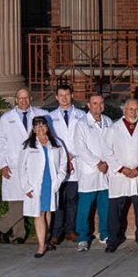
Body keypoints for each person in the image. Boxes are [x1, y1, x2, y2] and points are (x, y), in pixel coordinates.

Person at [102, 99, 138, 253]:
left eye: (136, 109)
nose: (133, 112)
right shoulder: (114, 128)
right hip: (120, 176)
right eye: (130, 109)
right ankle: (113, 240)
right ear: (124, 111)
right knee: (115, 212)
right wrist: (121, 169)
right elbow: (107, 151)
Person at [0, 89, 45, 244]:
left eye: (26, 97)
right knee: (15, 200)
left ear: (30, 98)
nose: (24, 100)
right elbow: (0, 143)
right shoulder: (6, 118)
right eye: (20, 98)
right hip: (13, 164)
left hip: (33, 163)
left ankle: (0, 226)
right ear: (16, 99)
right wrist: (3, 164)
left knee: (29, 198)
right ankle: (19, 234)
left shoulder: (40, 114)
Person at [19, 116, 66, 259]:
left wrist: (58, 180)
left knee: (48, 213)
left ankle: (45, 240)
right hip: (36, 185)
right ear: (33, 130)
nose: (40, 128)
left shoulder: (57, 143)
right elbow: (22, 168)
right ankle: (41, 245)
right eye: (37, 126)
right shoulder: (28, 146)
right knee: (38, 213)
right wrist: (26, 187)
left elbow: (63, 163)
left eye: (43, 125)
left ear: (47, 127)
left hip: (51, 183)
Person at [73, 94, 112, 250]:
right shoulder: (81, 124)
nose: (98, 106)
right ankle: (82, 237)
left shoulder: (108, 122)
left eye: (101, 103)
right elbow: (80, 148)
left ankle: (105, 234)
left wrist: (107, 162)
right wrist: (97, 163)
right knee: (85, 208)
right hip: (89, 171)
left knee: (105, 206)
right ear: (89, 105)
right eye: (95, 103)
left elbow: (112, 144)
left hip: (105, 171)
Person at [47, 84, 84, 247]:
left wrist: (72, 153)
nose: (64, 98)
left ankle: (70, 230)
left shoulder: (82, 115)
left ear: (72, 95)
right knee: (58, 200)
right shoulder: (50, 117)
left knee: (73, 199)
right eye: (60, 95)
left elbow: (83, 138)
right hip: (58, 163)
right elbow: (50, 139)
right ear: (56, 97)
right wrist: (63, 155)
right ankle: (56, 232)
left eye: (67, 95)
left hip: (76, 162)